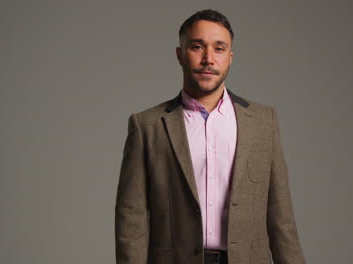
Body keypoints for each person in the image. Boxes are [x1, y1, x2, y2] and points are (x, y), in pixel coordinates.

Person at [115, 9, 306, 264]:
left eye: (219, 48)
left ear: (230, 57)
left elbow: (281, 218)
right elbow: (132, 218)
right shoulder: (147, 126)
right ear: (179, 54)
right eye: (197, 47)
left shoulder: (263, 122)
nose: (208, 59)